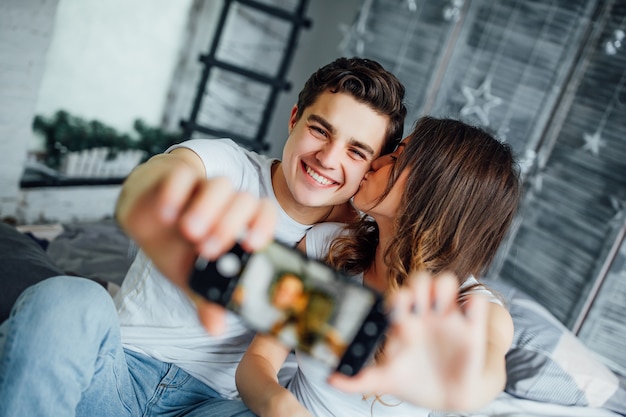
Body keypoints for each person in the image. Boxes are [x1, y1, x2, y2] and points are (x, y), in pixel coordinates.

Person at [0, 57, 406, 416]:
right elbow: (156, 180)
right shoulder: (226, 165)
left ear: (372, 167)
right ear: (294, 117)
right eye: (320, 130)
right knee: (66, 297)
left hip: (212, 405)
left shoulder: (355, 246)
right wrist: (164, 200)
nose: (328, 158)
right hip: (116, 372)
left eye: (356, 151)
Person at [235, 116, 522, 416]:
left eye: (397, 158)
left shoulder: (469, 306)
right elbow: (259, 361)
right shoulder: (329, 247)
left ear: (429, 194)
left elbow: (487, 369)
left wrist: (462, 388)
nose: (375, 160)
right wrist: (281, 407)